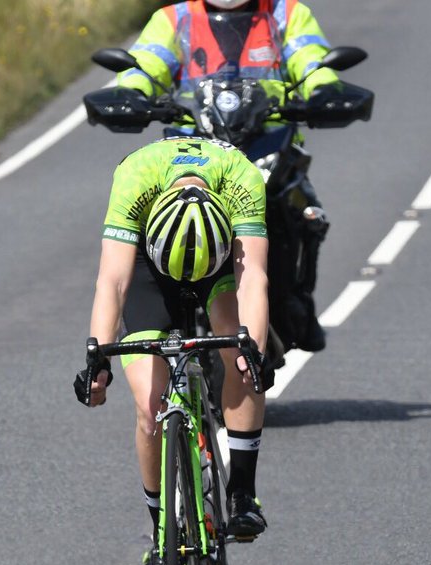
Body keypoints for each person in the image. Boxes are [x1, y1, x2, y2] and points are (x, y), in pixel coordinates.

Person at [75, 135, 270, 565]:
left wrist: (253, 349)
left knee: (239, 356)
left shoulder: (241, 178)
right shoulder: (135, 178)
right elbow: (114, 280)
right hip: (149, 266)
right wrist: (97, 357)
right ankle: (161, 541)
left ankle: (243, 492)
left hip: (220, 264)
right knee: (149, 406)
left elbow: (255, 278)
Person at [114, 0, 341, 353]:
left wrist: (323, 88)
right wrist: (131, 91)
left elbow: (310, 59)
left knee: (304, 211)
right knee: (162, 219)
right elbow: (146, 63)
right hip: (194, 147)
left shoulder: (287, 13)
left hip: (267, 140)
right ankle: (162, 311)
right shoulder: (173, 18)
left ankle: (298, 301)